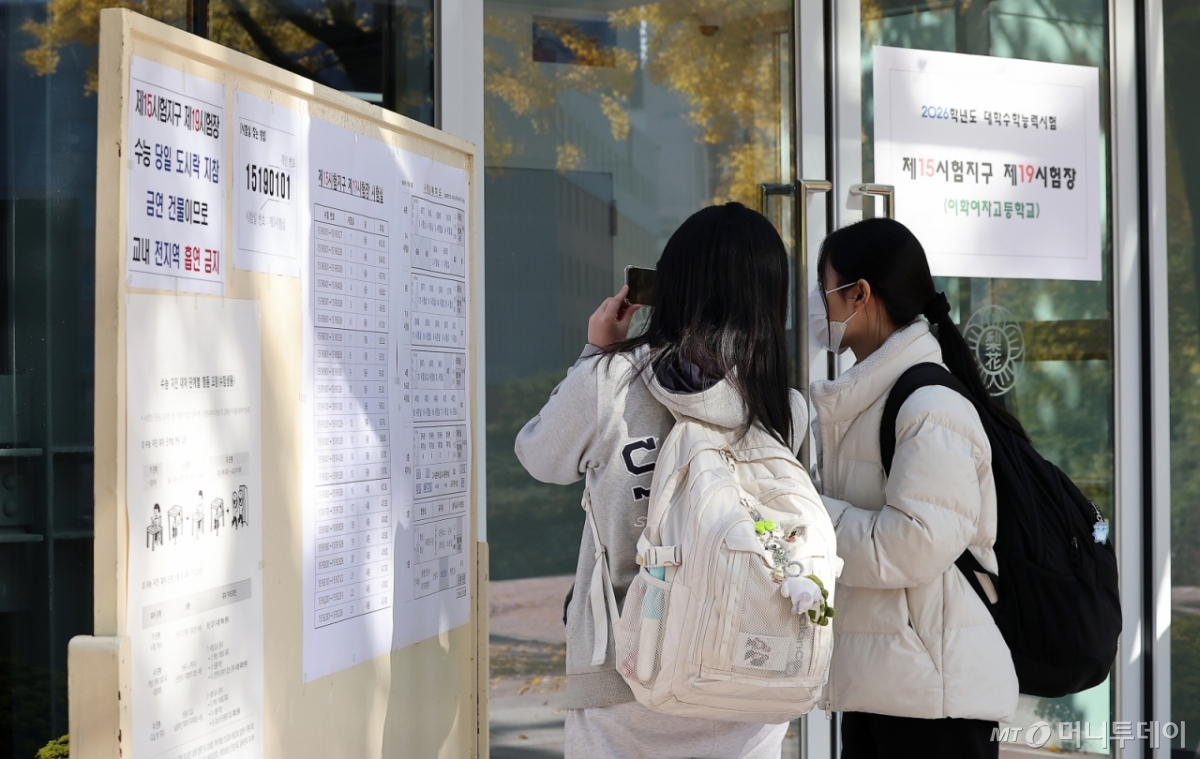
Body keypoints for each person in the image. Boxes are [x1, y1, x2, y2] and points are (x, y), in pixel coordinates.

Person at [515, 202, 808, 759]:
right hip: (748, 672)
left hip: (624, 676)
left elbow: (540, 456)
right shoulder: (784, 408)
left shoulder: (612, 381)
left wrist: (595, 353)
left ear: (671, 288)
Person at [808, 217, 1019, 759]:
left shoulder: (930, 406)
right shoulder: (870, 400)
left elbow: (913, 546)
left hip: (934, 698)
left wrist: (808, 517)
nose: (816, 305)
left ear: (859, 294)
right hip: (889, 681)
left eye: (823, 288)